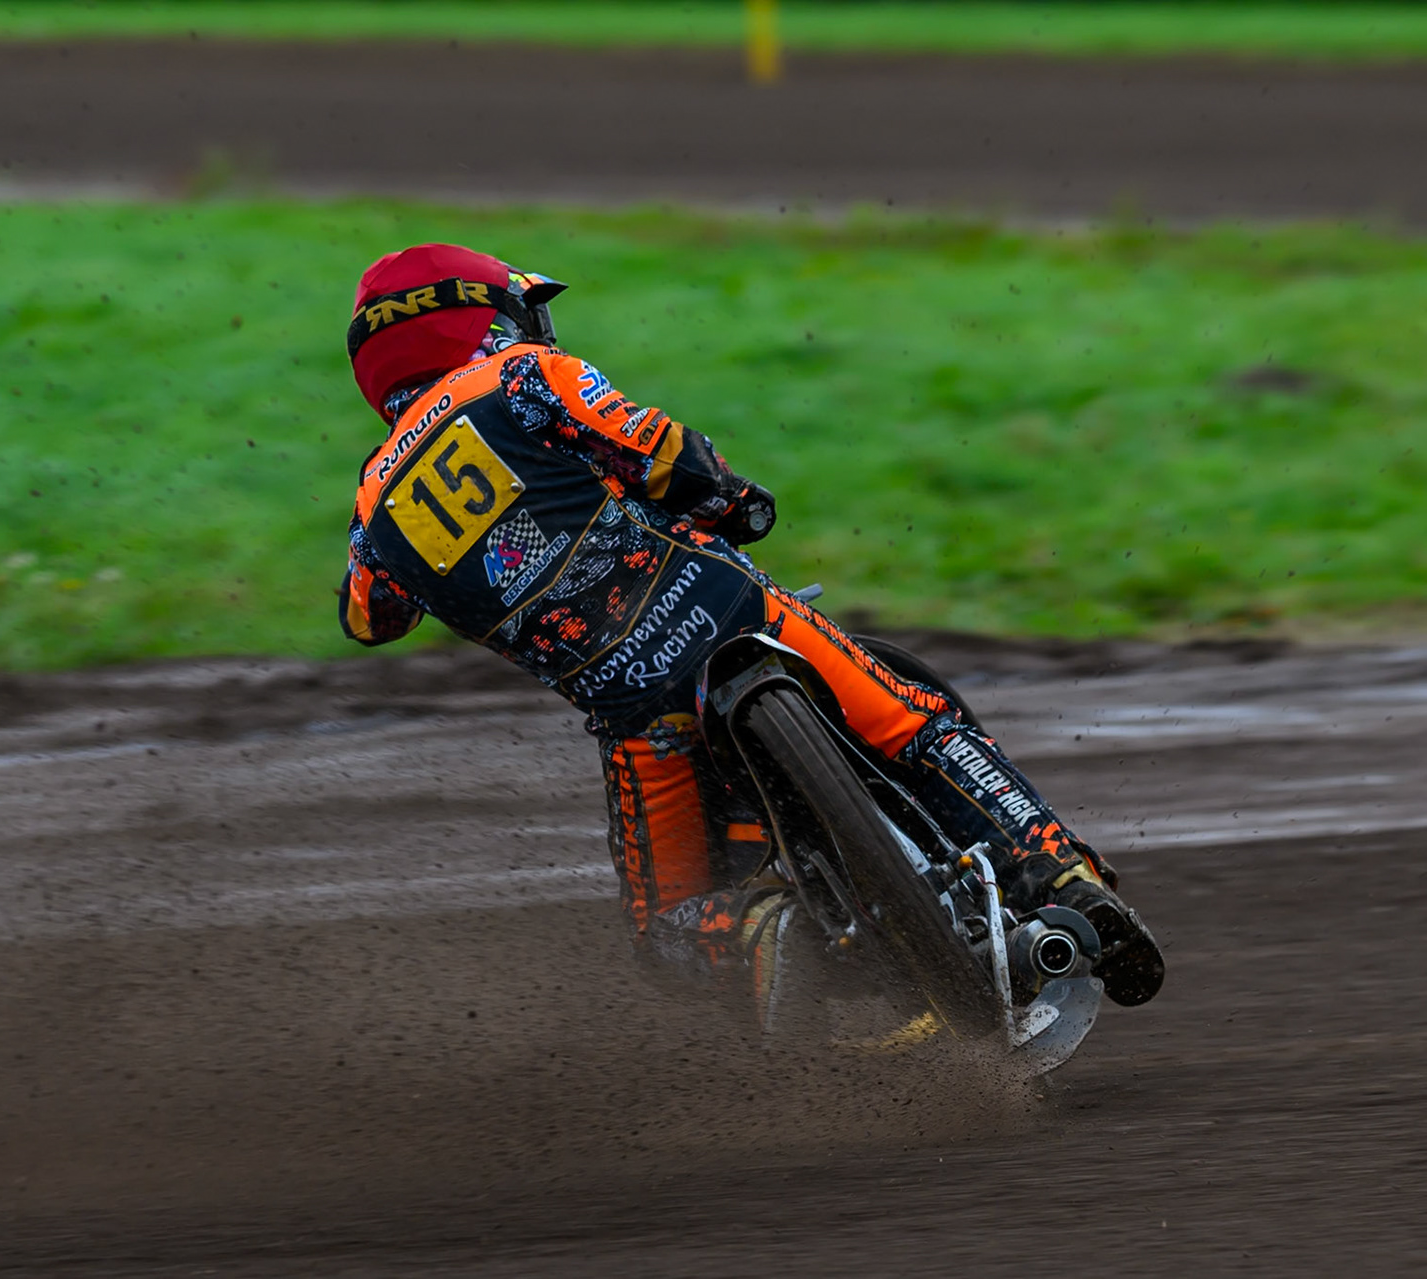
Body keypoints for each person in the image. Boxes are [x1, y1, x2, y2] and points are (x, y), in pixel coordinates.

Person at [337, 243, 1164, 1015]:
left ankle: (777, 941)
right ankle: (1065, 875)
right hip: (722, 601)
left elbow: (368, 619)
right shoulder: (519, 377)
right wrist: (737, 504)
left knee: (666, 933)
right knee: (914, 724)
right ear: (479, 321)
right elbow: (662, 452)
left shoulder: (373, 512)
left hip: (633, 711)